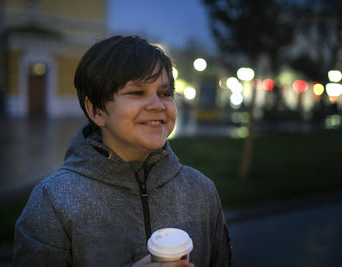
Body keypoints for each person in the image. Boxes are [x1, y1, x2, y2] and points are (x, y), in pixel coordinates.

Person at [13, 35, 235, 267]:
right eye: (137, 92)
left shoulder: (201, 191)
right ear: (96, 110)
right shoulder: (54, 202)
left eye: (166, 93)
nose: (158, 105)